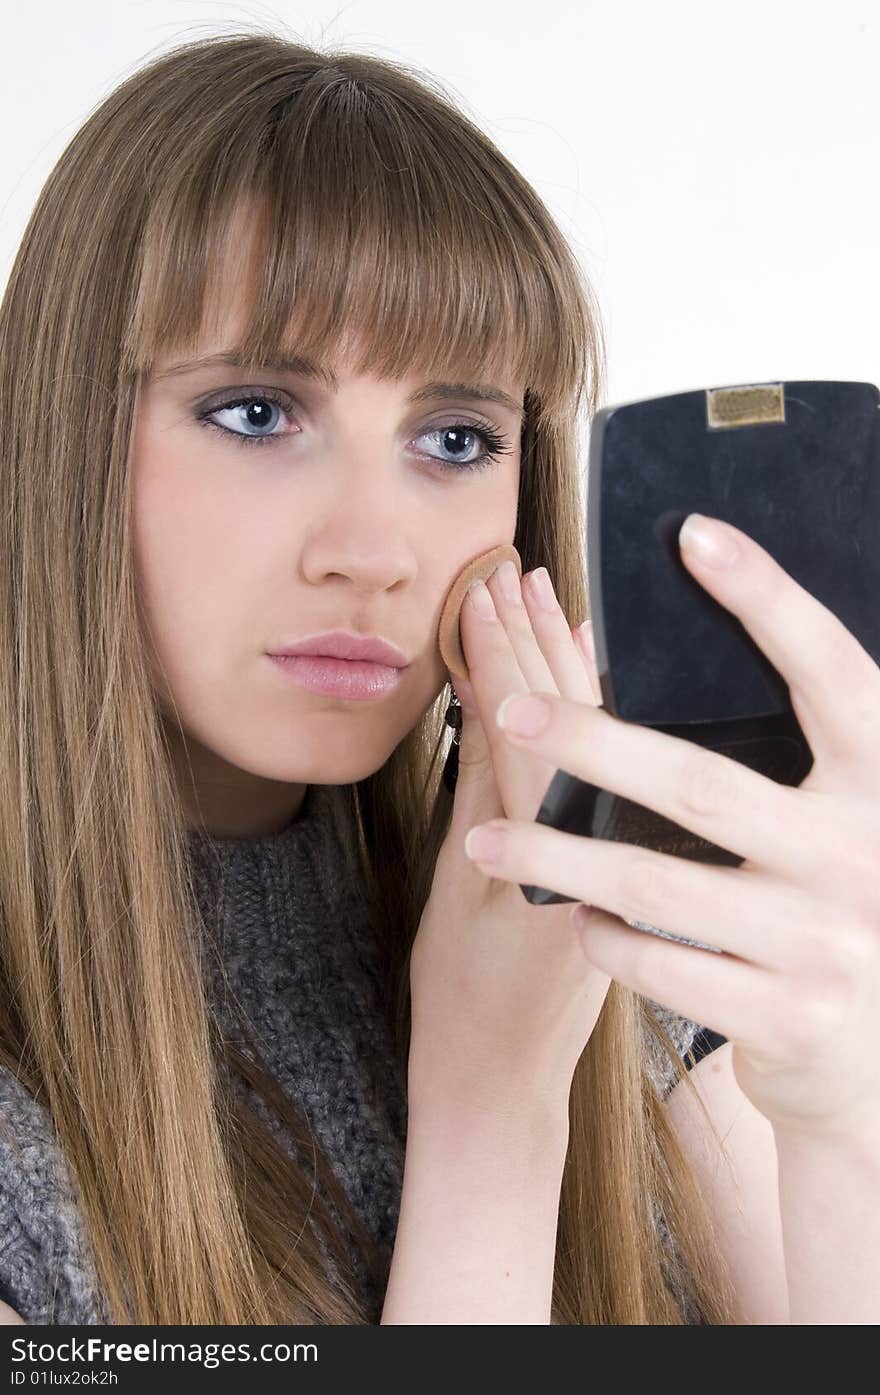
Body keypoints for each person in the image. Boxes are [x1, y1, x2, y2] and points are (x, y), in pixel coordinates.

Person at [1, 30, 876, 1328]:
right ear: (59, 433)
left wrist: (841, 1111)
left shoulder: (610, 956)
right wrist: (491, 1114)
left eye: (456, 437)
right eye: (255, 412)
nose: (371, 553)